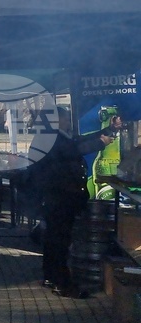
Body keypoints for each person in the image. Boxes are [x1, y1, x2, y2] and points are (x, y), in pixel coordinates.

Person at [32, 106, 117, 297]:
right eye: (66, 118)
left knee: (54, 239)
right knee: (59, 240)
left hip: (56, 196)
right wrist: (101, 143)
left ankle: (51, 276)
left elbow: (77, 141)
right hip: (59, 196)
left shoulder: (51, 135)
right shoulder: (51, 138)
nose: (69, 121)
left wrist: (106, 131)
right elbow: (74, 148)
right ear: (57, 120)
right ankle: (63, 284)